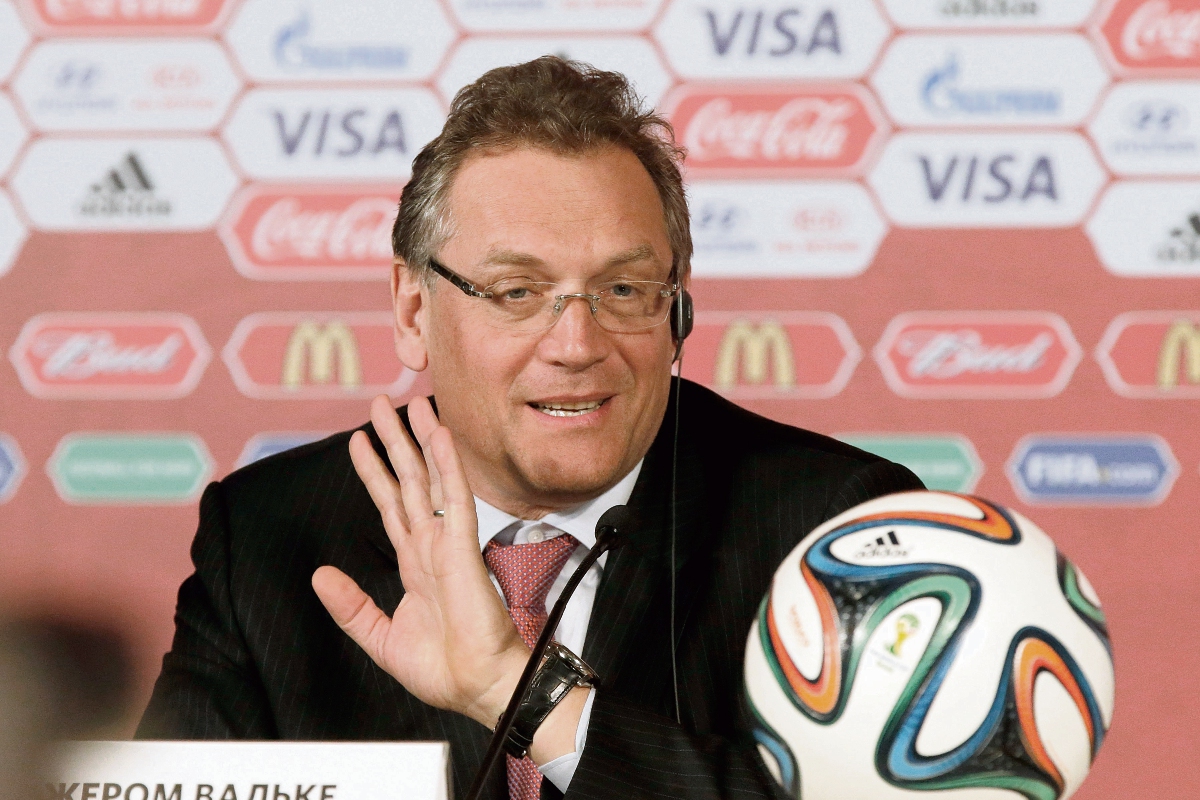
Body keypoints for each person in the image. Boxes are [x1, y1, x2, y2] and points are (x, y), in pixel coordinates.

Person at [137, 57, 923, 799]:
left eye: (624, 290)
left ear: (677, 312)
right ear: (412, 312)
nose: (577, 346)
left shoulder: (839, 530)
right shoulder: (269, 537)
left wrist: (517, 692)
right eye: (517, 292)